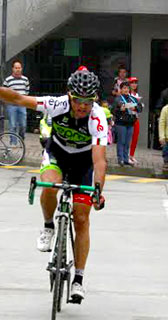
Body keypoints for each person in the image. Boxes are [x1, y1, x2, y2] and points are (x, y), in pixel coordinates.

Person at [0, 68, 108, 301]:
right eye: (78, 100)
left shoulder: (98, 118)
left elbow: (99, 160)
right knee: (49, 186)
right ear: (69, 95)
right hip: (57, 155)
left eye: (87, 102)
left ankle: (78, 279)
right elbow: (19, 99)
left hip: (83, 164)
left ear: (94, 100)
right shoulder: (57, 104)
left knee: (81, 219)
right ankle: (49, 225)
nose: (82, 106)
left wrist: (98, 190)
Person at [112, 82, 142, 166]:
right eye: (124, 88)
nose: (126, 90)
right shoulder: (118, 98)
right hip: (121, 123)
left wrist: (134, 107)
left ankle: (126, 158)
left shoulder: (133, 98)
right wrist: (122, 108)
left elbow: (140, 107)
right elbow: (114, 109)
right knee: (121, 141)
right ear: (121, 90)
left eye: (127, 88)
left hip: (131, 123)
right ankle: (120, 159)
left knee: (127, 142)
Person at [3, 60, 30, 142]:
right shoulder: (8, 80)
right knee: (13, 125)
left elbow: (27, 91)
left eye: (19, 68)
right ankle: (13, 143)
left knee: (23, 125)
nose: (17, 69)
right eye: (16, 68)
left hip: (22, 105)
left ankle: (21, 141)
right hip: (11, 106)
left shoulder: (25, 79)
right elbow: (4, 92)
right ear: (12, 69)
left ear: (21, 69)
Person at [128, 77, 143, 165]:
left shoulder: (136, 94)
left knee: (135, 138)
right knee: (127, 138)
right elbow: (127, 106)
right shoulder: (127, 94)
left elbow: (138, 108)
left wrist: (137, 106)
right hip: (128, 118)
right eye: (132, 83)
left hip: (136, 118)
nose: (134, 84)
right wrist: (136, 105)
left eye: (135, 83)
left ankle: (131, 155)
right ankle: (126, 156)